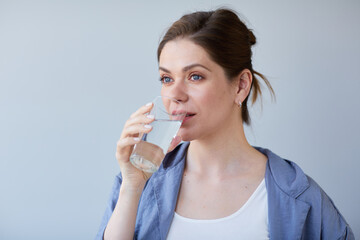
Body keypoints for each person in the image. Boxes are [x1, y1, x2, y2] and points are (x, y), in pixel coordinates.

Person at [96, 8, 354, 240]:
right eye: (166, 78)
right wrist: (132, 187)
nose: (175, 94)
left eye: (195, 76)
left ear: (241, 86)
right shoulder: (138, 182)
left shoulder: (298, 195)